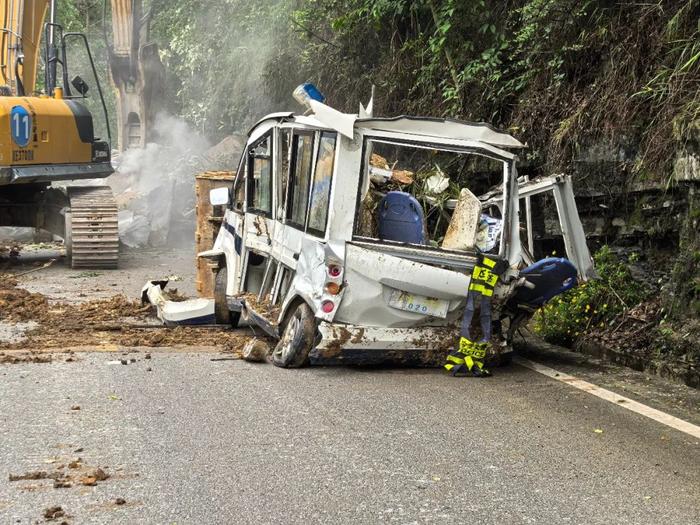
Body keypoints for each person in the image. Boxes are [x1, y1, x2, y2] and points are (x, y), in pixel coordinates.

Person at [444, 253, 506, 377]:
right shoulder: (471, 353)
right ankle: (489, 267)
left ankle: (487, 266)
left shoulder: (468, 352)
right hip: (482, 277)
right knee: (481, 307)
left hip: (481, 275)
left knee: (475, 308)